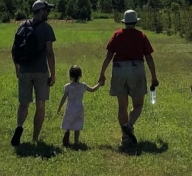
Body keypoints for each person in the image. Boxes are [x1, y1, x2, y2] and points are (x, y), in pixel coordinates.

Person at [98, 9, 159, 146]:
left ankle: (125, 138)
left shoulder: (117, 35)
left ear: (125, 22)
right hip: (136, 68)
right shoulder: (141, 36)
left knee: (122, 107)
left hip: (119, 69)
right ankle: (129, 125)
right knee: (138, 104)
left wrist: (102, 73)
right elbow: (148, 57)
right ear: (136, 22)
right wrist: (154, 76)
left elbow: (109, 56)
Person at [10, 0, 57, 146]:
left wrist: (17, 68)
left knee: (23, 104)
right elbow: (49, 53)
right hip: (40, 71)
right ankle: (35, 138)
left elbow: (14, 49)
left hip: (24, 70)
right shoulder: (46, 28)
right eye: (47, 11)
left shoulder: (22, 26)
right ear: (41, 11)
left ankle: (19, 127)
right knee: (40, 104)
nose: (48, 13)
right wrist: (53, 74)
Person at [56, 65, 101, 146]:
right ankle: (76, 142)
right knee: (77, 126)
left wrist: (59, 108)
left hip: (69, 109)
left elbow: (63, 98)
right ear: (80, 75)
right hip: (79, 109)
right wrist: (99, 83)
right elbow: (93, 89)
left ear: (70, 76)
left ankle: (67, 134)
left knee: (68, 124)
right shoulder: (83, 86)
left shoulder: (68, 87)